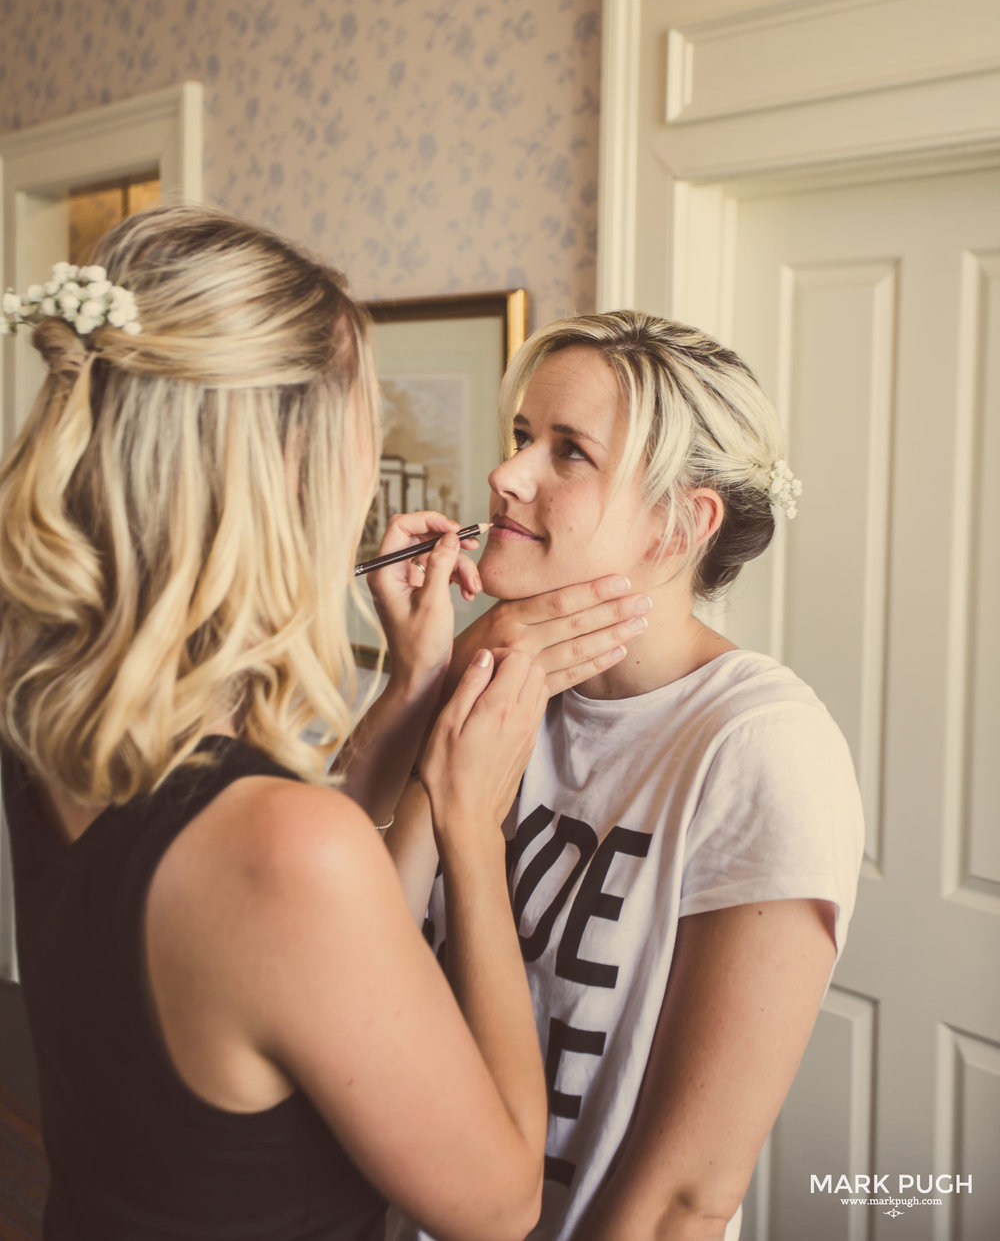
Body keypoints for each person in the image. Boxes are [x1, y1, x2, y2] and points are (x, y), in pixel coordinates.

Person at [0, 206, 640, 1241]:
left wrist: (410, 687)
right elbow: (502, 1202)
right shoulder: (285, 851)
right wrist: (466, 825)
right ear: (282, 467)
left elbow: (245, 918)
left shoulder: (47, 711)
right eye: (362, 424)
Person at [389, 311, 866, 1241]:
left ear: (683, 523)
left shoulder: (762, 750)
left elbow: (683, 1201)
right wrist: (438, 687)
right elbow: (366, 948)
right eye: (523, 436)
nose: (506, 475)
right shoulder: (496, 685)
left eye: (569, 453)